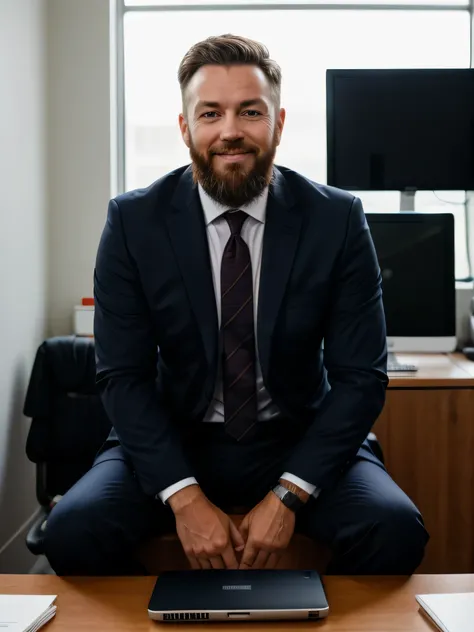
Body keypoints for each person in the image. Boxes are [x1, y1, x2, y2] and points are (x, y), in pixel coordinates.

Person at [44, 34, 428, 576]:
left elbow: (361, 377)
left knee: (395, 532)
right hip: (177, 434)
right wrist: (183, 497)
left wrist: (289, 494)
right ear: (186, 128)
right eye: (210, 113)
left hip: (296, 433)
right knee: (72, 533)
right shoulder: (134, 224)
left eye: (250, 112)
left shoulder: (336, 220)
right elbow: (122, 377)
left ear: (278, 123)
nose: (230, 131)